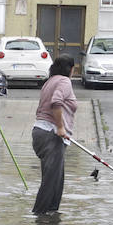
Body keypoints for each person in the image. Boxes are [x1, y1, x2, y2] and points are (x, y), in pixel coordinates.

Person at [30, 54, 77, 214]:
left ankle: (52, 215)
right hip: (51, 134)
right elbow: (56, 102)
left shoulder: (49, 81)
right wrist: (61, 127)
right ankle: (40, 217)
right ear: (71, 69)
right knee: (50, 182)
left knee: (56, 179)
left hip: (40, 132)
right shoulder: (64, 81)